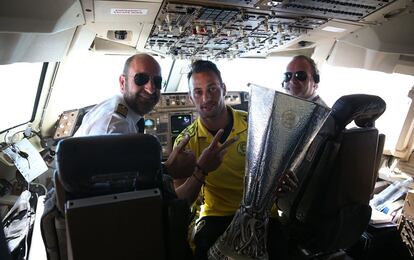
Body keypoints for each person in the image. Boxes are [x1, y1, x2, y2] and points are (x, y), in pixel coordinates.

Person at [173, 60, 297, 260]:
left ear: (223, 89)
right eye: (198, 92)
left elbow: (278, 168)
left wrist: (284, 182)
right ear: (190, 97)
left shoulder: (256, 124)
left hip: (263, 212)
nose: (206, 97)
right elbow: (179, 201)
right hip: (217, 215)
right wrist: (200, 170)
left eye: (212, 89)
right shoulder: (187, 141)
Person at [73, 53, 196, 179]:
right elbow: (107, 185)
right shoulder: (114, 123)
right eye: (141, 79)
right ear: (122, 82)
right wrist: (167, 170)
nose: (151, 89)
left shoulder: (125, 111)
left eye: (157, 81)